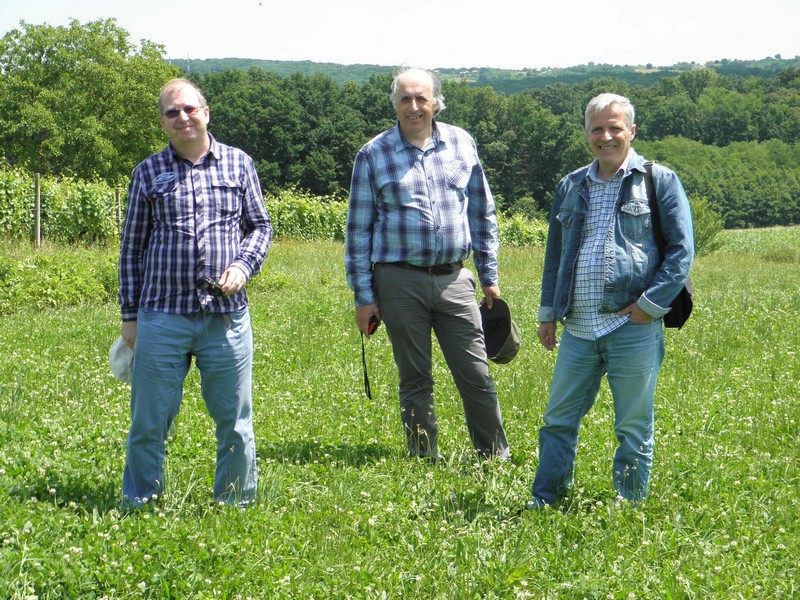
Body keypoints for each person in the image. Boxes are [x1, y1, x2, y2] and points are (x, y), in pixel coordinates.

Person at [529, 93, 694, 508]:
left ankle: (628, 506)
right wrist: (548, 313)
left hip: (632, 328)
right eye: (597, 129)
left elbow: (681, 252)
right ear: (587, 134)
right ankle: (545, 501)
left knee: (633, 426)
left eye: (614, 127)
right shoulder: (571, 184)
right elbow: (555, 255)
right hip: (578, 329)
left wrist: (649, 307)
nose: (606, 136)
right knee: (558, 421)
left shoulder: (659, 180)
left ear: (631, 131)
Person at [118, 78, 272, 507]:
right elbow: (132, 248)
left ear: (205, 112)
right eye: (172, 112)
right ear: (163, 123)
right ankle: (141, 500)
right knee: (149, 421)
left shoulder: (239, 164)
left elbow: (260, 226)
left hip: (225, 316)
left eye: (189, 109)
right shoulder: (147, 172)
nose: (182, 117)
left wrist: (243, 266)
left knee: (235, 420)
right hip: (161, 316)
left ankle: (235, 502)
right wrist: (130, 317)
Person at [345, 67, 510, 462]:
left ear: (436, 102)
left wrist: (489, 277)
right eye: (405, 99)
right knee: (415, 378)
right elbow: (358, 231)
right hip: (398, 281)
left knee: (476, 373)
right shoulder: (373, 154)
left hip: (455, 277)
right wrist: (364, 298)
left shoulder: (462, 143)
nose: (414, 107)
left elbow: (482, 214)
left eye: (422, 98)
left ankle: (494, 457)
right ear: (395, 104)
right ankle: (424, 458)